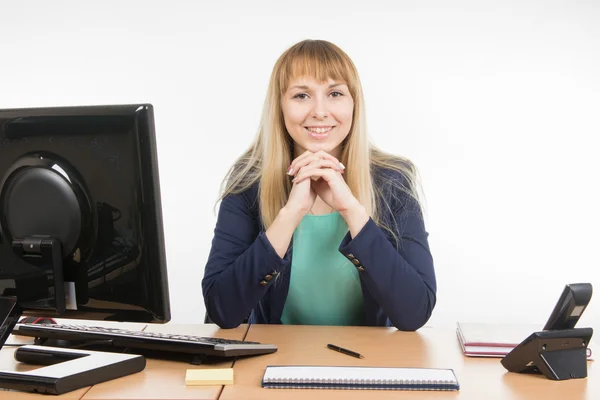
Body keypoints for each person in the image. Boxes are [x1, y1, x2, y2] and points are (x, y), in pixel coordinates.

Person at [202, 39, 436, 331]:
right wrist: (290, 214)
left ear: (354, 103)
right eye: (301, 96)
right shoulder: (249, 181)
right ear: (280, 106)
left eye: (335, 93)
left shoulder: (393, 181)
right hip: (274, 361)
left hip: (368, 363)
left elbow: (415, 313)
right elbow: (222, 310)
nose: (320, 111)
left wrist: (351, 209)